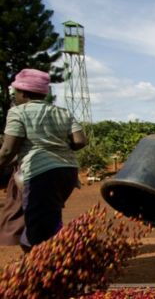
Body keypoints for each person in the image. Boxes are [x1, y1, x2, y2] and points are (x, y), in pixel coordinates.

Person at [0, 68, 87, 252]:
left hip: (40, 173)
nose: (14, 95)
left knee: (37, 228)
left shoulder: (18, 112)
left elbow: (7, 150)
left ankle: (43, 268)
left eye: (15, 92)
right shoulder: (62, 112)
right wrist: (60, 150)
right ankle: (52, 254)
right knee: (48, 214)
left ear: (23, 92)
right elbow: (80, 140)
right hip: (67, 172)